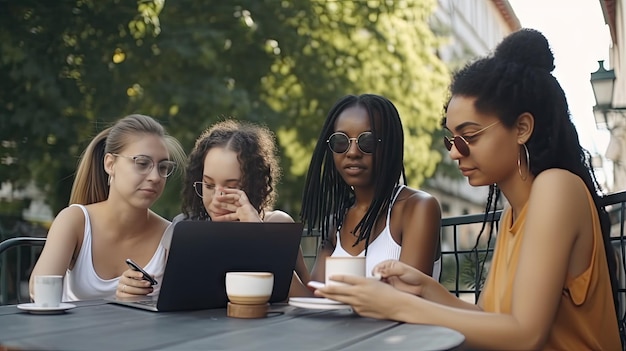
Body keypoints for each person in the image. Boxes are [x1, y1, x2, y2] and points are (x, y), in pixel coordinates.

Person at [313, 29, 622, 350]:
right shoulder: (511, 214)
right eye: (451, 139)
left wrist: (395, 304)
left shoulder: (557, 187)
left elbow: (526, 334)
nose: (455, 151)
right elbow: (490, 319)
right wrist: (428, 290)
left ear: (522, 128)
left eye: (469, 136)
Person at [116, 119, 311, 297]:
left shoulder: (277, 226)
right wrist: (134, 291)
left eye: (231, 187)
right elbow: (171, 301)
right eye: (208, 185)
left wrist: (257, 233)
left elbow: (306, 303)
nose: (217, 198)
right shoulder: (185, 230)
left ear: (255, 186)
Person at [296, 93, 442, 296]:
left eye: (368, 141)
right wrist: (270, 244)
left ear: (389, 146)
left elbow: (409, 301)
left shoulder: (417, 207)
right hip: (338, 328)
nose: (353, 152)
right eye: (341, 141)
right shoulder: (336, 223)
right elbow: (313, 299)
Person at [29, 114, 186, 301]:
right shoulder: (74, 221)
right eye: (142, 163)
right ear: (110, 164)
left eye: (163, 167)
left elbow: (181, 313)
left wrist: (140, 302)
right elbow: (40, 294)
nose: (155, 177)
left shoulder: (172, 236)